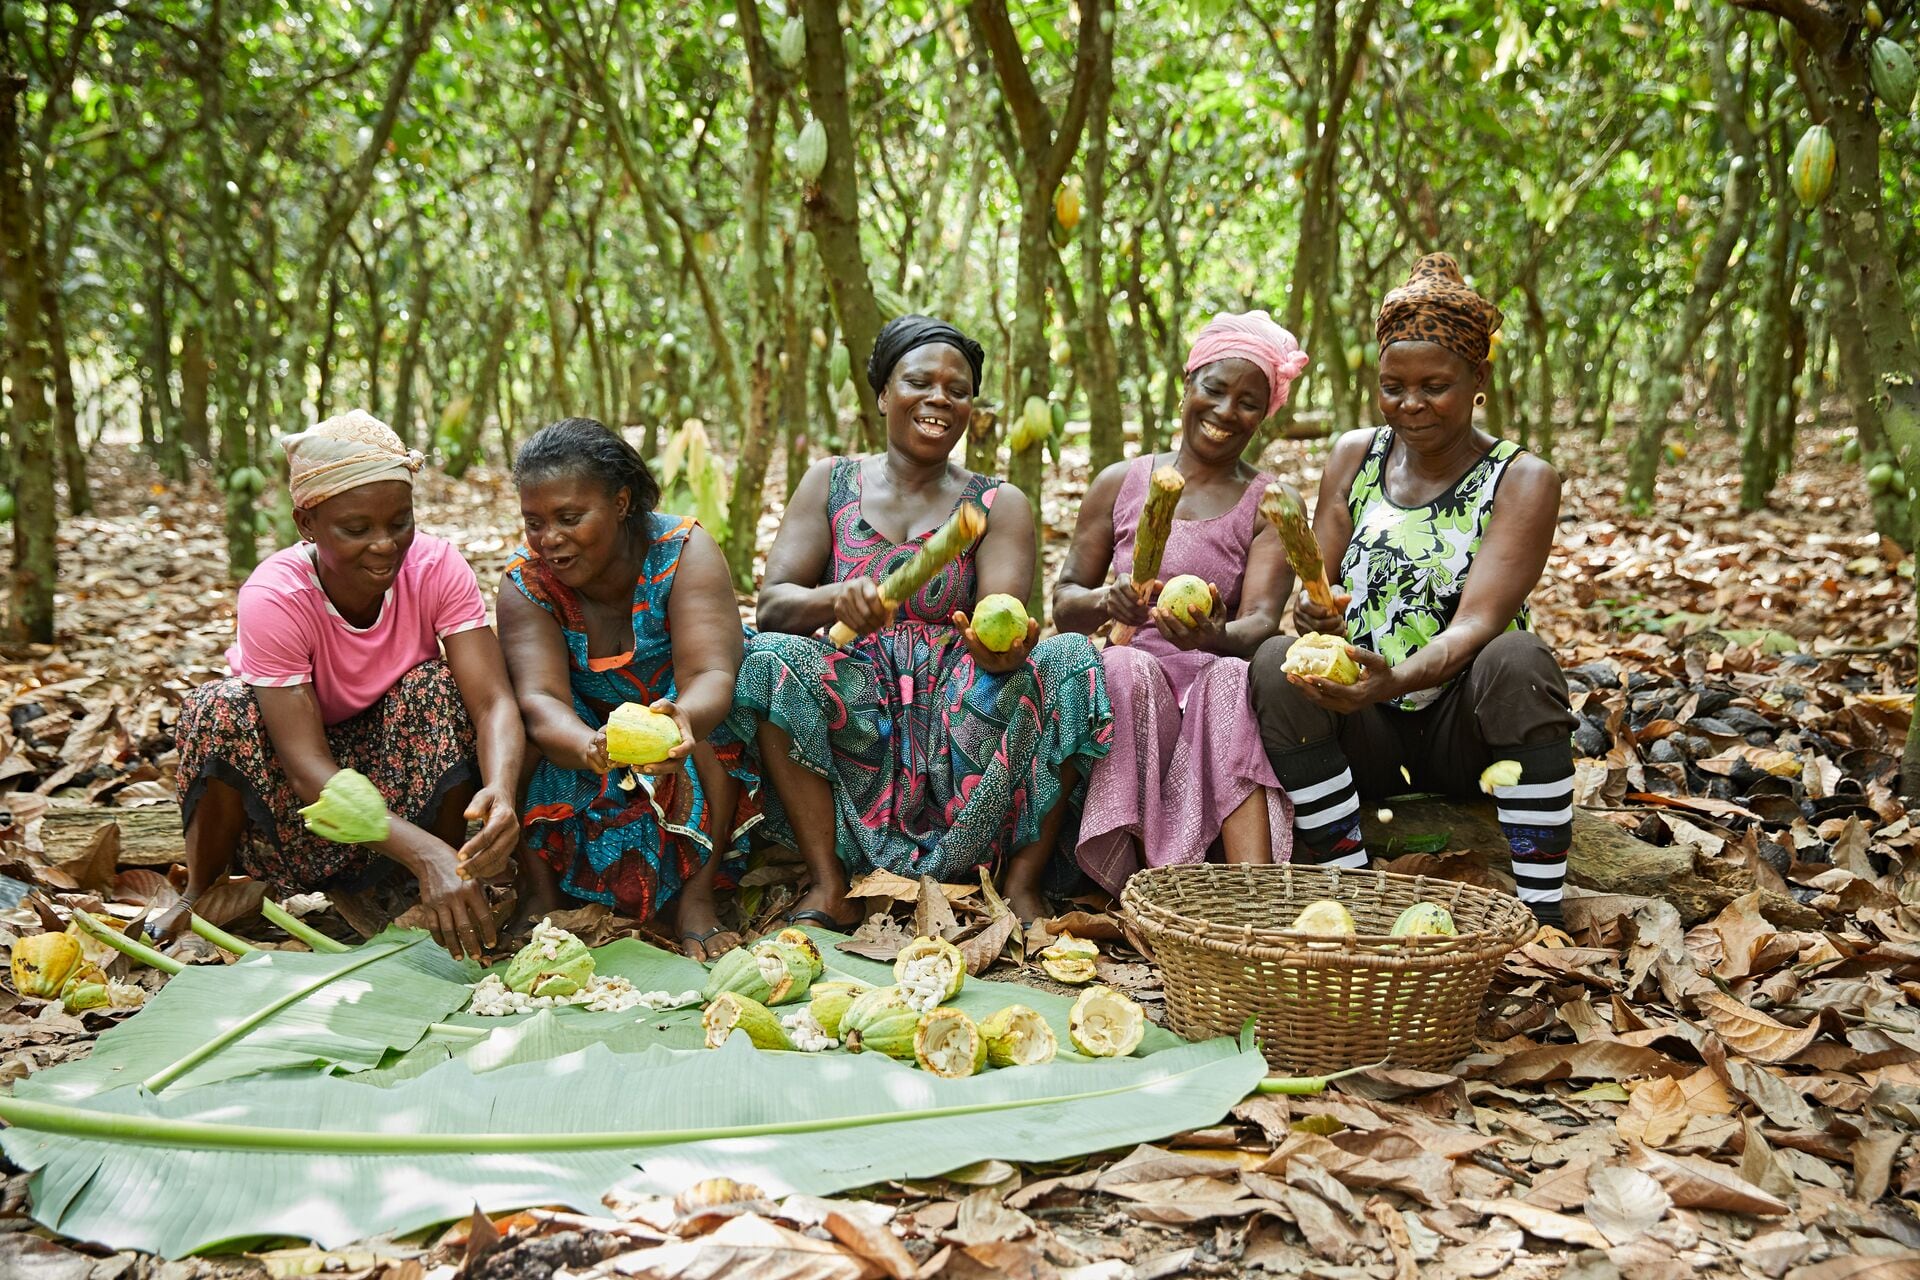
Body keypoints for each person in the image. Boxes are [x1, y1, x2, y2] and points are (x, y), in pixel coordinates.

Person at [730, 316, 1112, 926]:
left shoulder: (997, 502)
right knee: (767, 656)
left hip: (960, 707)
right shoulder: (829, 482)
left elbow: (1000, 622)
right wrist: (840, 598)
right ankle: (829, 883)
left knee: (1071, 659)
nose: (940, 398)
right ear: (882, 393)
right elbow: (773, 605)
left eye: (958, 390)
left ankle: (1020, 885)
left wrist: (1002, 653)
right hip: (857, 703)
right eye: (919, 382)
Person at [1248, 254, 1575, 925]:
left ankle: (1541, 914)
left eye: (1435, 386)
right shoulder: (1354, 455)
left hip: (1467, 732)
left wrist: (1391, 679)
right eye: (1393, 387)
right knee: (1273, 665)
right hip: (1369, 731)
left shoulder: (1523, 478)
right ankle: (1349, 892)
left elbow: (1478, 623)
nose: (1410, 406)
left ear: (1478, 378)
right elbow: (1322, 588)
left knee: (1519, 659)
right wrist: (1316, 615)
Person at [164, 410, 523, 958]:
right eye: (357, 530)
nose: (384, 545)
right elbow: (306, 766)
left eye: (399, 522)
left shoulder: (436, 566)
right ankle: (200, 891)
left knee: (433, 686)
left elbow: (493, 700)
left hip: (398, 770)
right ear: (306, 524)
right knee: (217, 709)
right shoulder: (275, 596)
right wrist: (421, 851)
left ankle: (453, 880)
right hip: (300, 799)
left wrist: (499, 789)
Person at [1053, 312, 1306, 895]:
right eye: (1214, 389)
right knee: (1124, 665)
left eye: (1248, 401)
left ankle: (1254, 894)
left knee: (1227, 680)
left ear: (1265, 415)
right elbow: (1065, 605)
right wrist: (1106, 600)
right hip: (1129, 678)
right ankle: (1144, 886)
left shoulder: (1272, 501)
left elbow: (1263, 624)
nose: (1224, 411)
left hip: (1214, 678)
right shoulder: (1120, 480)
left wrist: (1212, 635)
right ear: (1186, 385)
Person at [498, 417, 760, 960]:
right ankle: (540, 897)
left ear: (620, 503)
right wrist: (587, 745)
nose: (550, 539)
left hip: (681, 716)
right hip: (581, 736)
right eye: (535, 522)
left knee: (723, 718)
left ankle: (697, 899)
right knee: (508, 721)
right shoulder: (526, 584)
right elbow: (540, 698)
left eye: (570, 518)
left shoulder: (682, 550)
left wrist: (683, 719)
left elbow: (711, 671)